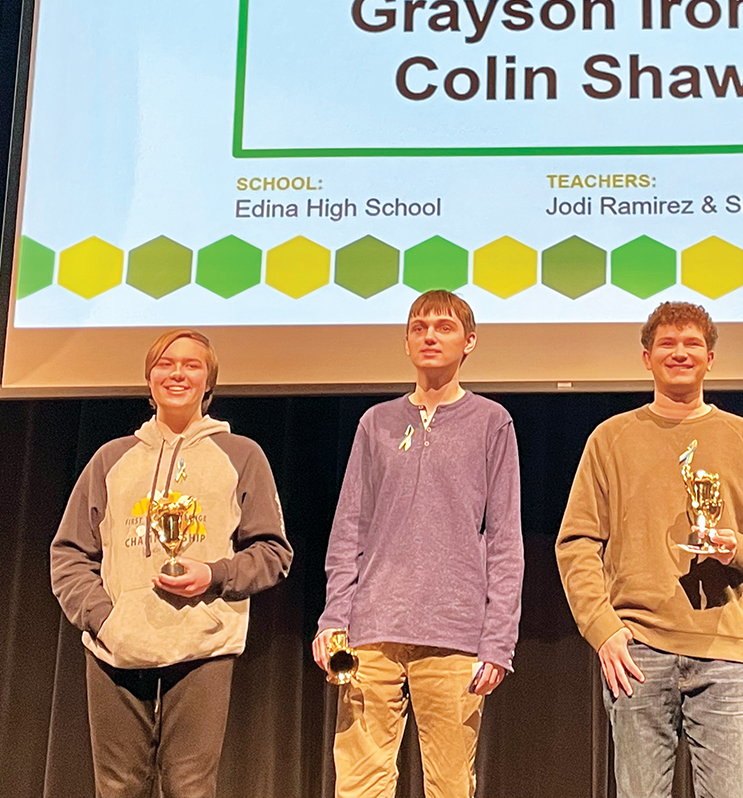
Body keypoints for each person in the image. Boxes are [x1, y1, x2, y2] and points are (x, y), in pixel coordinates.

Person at [556, 302, 743, 798]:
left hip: (727, 652)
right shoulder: (611, 439)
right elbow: (577, 542)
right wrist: (602, 630)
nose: (679, 353)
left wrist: (738, 549)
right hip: (637, 651)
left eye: (691, 344)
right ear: (647, 358)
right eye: (667, 343)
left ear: (710, 358)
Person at [50, 329, 293, 798]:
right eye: (165, 363)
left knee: (190, 787)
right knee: (117, 787)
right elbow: (69, 553)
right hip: (115, 646)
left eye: (191, 365)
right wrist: (105, 618)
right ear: (149, 379)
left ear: (209, 383)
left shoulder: (241, 455)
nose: (177, 372)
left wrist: (215, 575)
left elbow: (272, 552)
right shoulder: (111, 458)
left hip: (202, 645)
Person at [313, 290, 523, 798]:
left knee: (450, 783)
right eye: (419, 327)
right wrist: (334, 619)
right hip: (373, 628)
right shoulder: (376, 422)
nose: (430, 335)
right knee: (361, 782)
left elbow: (505, 540)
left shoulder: (491, 422)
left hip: (454, 631)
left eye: (444, 327)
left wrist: (497, 640)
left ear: (469, 342)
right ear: (406, 341)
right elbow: (348, 530)